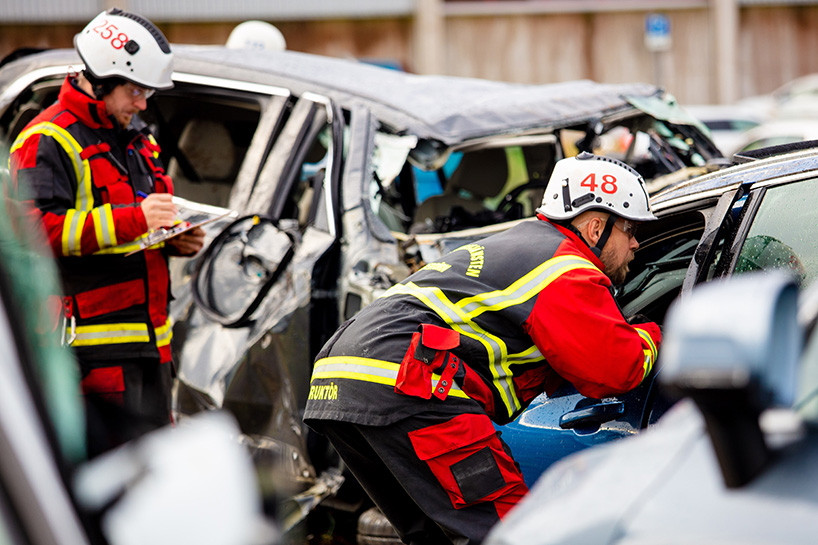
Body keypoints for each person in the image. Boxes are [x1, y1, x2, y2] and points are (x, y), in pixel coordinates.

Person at [303, 152, 662, 544]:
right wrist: (663, 332)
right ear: (596, 228)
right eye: (629, 230)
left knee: (434, 536)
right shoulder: (566, 270)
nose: (636, 244)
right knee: (507, 534)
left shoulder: (523, 247)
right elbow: (616, 367)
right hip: (408, 382)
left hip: (340, 379)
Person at [8, 8, 204, 455]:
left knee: (156, 476)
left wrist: (175, 240)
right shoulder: (47, 139)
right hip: (90, 355)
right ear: (98, 80)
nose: (143, 103)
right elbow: (33, 231)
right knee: (107, 474)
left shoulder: (138, 138)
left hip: (152, 345)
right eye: (135, 90)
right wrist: (137, 218)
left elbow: (142, 227)